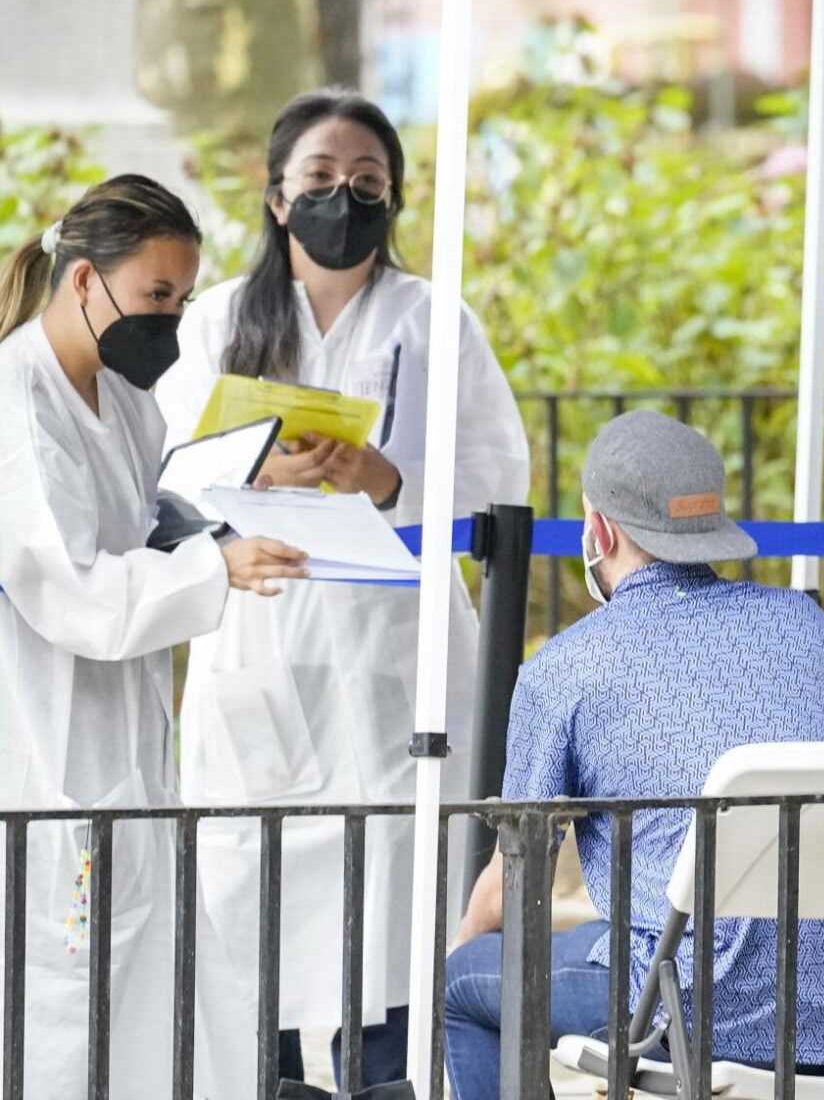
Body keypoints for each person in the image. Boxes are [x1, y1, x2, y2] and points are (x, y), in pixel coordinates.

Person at [155, 89, 531, 1094]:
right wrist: (254, 468)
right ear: (278, 196)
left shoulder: (433, 320)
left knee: (398, 911)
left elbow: (501, 477)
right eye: (320, 179)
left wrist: (387, 478)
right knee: (255, 908)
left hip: (392, 656)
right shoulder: (217, 321)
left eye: (367, 182)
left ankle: (388, 1080)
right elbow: (162, 477)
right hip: (264, 646)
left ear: (394, 198)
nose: (344, 199)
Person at [442, 410, 824, 1100]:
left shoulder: (566, 668)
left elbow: (518, 878)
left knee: (463, 986)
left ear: (600, 532)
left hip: (691, 1009)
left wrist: (464, 945)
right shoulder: (805, 627)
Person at [0, 176, 308, 1099]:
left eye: (181, 299)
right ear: (84, 280)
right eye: (157, 295)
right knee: (61, 1007)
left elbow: (141, 521)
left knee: (143, 990)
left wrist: (219, 515)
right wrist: (215, 567)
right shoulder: (19, 401)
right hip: (48, 744)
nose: (170, 320)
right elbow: (71, 590)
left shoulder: (125, 397)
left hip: (126, 746)